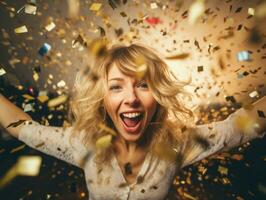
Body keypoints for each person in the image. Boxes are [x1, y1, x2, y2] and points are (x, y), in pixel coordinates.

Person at [0, 43, 265, 200]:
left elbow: (238, 126)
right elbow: (25, 128)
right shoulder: (82, 144)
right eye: (116, 87)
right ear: (103, 98)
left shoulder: (178, 144)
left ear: (158, 94)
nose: (132, 99)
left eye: (143, 85)